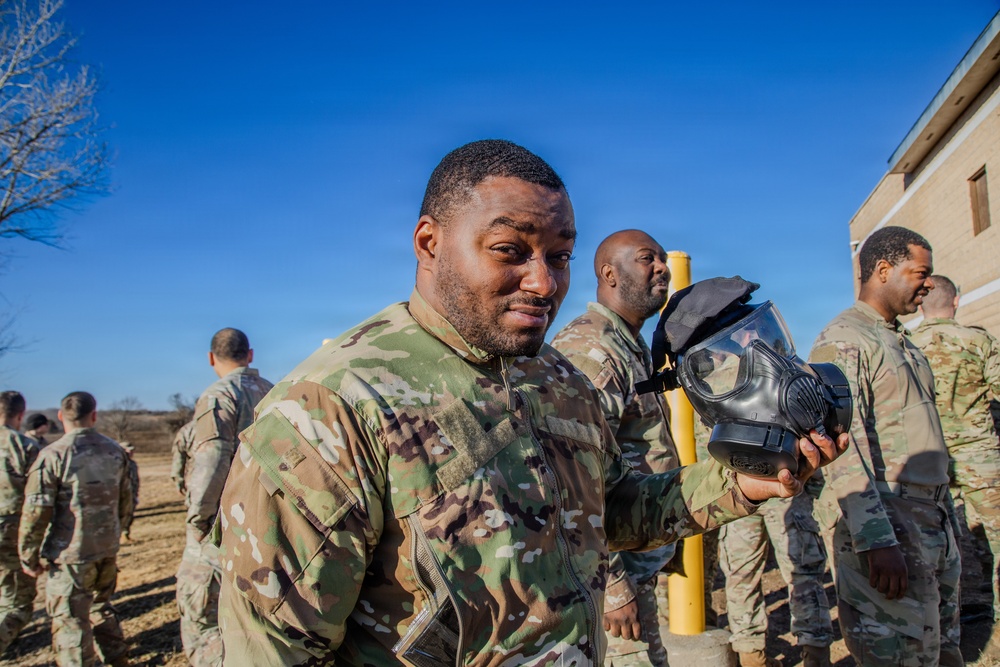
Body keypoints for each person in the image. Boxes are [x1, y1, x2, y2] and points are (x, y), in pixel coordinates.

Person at [214, 139, 846, 665]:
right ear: (430, 243)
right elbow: (272, 647)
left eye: (561, 256)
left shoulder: (559, 379)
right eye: (510, 251)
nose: (545, 283)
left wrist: (740, 483)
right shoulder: (330, 408)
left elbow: (612, 511)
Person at [809, 225, 961, 666]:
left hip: (931, 518)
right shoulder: (844, 340)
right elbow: (841, 445)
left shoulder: (900, 340)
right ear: (882, 270)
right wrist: (876, 539)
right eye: (921, 272)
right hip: (891, 524)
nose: (929, 283)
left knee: (941, 651)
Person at [552, 229, 679, 666]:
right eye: (648, 258)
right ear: (609, 273)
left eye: (662, 258)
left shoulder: (628, 344)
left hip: (630, 561)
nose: (662, 267)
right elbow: (568, 480)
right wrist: (613, 585)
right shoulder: (595, 350)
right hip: (605, 579)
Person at [176, 328, 273, 667]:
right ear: (250, 355)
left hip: (224, 524)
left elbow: (212, 461)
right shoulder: (274, 392)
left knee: (202, 621)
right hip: (268, 523)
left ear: (210, 358)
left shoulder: (218, 395)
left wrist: (198, 521)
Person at [910, 275, 1000, 635]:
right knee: (995, 535)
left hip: (930, 459)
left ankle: (951, 619)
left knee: (941, 543)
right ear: (957, 301)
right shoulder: (978, 341)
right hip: (980, 456)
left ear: (920, 304)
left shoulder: (909, 347)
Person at [19, 391, 132, 667]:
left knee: (71, 622)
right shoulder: (114, 450)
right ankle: (118, 660)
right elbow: (126, 499)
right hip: (106, 548)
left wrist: (28, 554)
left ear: (61, 416)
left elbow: (36, 512)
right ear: (94, 415)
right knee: (101, 609)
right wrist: (118, 531)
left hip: (70, 554)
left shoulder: (53, 455)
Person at [718, 475, 833, 667]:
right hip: (781, 490)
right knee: (803, 576)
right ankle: (813, 654)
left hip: (741, 490)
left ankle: (752, 656)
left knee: (742, 575)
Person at [0, 391, 40, 654]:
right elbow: (39, 497)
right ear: (21, 415)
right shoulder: (24, 447)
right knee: (17, 602)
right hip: (11, 528)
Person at [118, 442, 140, 540]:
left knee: (130, 514)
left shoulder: (133, 464)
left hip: (132, 493)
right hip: (119, 494)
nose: (130, 452)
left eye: (132, 450)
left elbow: (136, 480)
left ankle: (126, 533)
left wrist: (136, 493)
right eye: (128, 450)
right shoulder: (117, 463)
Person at [171, 420, 196, 502]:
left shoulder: (187, 429)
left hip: (195, 482)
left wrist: (179, 481)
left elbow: (178, 458)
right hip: (226, 482)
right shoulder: (230, 425)